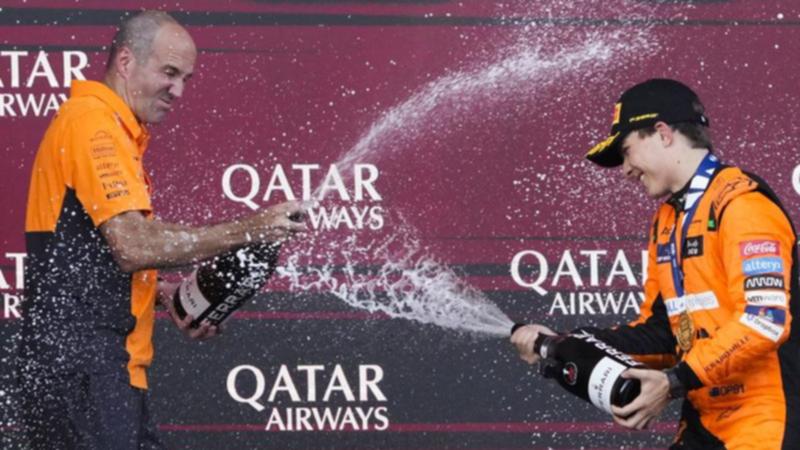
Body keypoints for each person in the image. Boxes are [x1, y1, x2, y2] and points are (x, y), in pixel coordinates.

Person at [18, 11, 307, 449]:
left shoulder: (111, 129)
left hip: (97, 372)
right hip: (82, 373)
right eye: (169, 73)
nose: (178, 90)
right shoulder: (92, 124)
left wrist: (165, 293)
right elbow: (132, 245)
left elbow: (85, 254)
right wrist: (253, 228)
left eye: (186, 78)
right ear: (127, 61)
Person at [511, 79, 799, 449]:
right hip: (703, 416)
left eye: (627, 151)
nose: (626, 169)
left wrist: (674, 381)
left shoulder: (741, 203)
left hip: (765, 415)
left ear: (662, 133)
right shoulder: (667, 221)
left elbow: (764, 322)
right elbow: (661, 334)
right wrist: (564, 342)